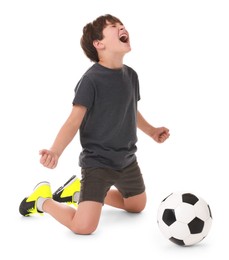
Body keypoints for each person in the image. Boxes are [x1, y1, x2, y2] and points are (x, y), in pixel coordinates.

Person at [19, 14, 170, 235]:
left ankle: (76, 192)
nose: (122, 28)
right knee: (84, 227)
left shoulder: (132, 76)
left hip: (127, 159)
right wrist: (55, 151)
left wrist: (152, 131)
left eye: (122, 25)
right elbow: (73, 121)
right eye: (114, 27)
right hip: (97, 163)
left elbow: (131, 110)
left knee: (137, 205)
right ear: (98, 44)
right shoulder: (91, 80)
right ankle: (42, 200)